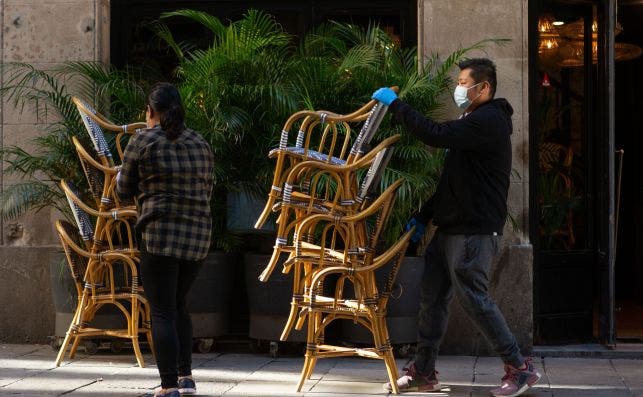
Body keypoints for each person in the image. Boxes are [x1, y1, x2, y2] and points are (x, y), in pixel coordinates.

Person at [372, 58, 541, 397]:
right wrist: (424, 216)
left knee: (475, 301)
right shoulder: (472, 120)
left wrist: (397, 106)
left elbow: (435, 134)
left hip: (472, 232)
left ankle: (519, 368)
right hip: (450, 229)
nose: (459, 88)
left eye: (464, 82)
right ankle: (423, 371)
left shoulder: (489, 121)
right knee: (432, 301)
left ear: (484, 88)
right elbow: (453, 181)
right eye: (460, 82)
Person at [117, 82, 214, 397]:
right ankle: (185, 379)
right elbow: (207, 190)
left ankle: (168, 385)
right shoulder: (200, 143)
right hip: (198, 239)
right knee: (178, 305)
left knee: (160, 311)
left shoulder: (143, 141)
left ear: (150, 112)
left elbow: (123, 190)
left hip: (159, 236)